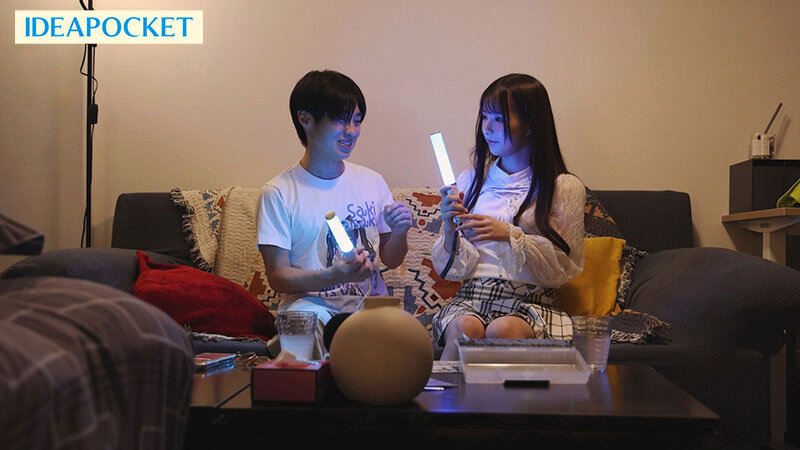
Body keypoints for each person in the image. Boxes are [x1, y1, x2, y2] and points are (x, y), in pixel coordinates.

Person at [257, 70, 413, 358]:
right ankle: (299, 363)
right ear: (306, 120)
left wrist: (400, 232)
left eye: (357, 121)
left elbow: (392, 258)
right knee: (304, 325)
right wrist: (332, 275)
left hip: (370, 307)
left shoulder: (372, 181)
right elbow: (278, 276)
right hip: (309, 307)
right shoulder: (278, 192)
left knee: (408, 337)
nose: (351, 131)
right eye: (340, 120)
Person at [433, 73, 586, 360]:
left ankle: (506, 391)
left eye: (499, 119)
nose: (487, 128)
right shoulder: (469, 182)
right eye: (484, 117)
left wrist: (509, 234)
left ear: (531, 124)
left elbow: (565, 267)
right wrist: (451, 229)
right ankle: (442, 389)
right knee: (465, 328)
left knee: (503, 329)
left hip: (530, 301)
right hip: (472, 298)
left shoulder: (563, 187)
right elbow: (451, 270)